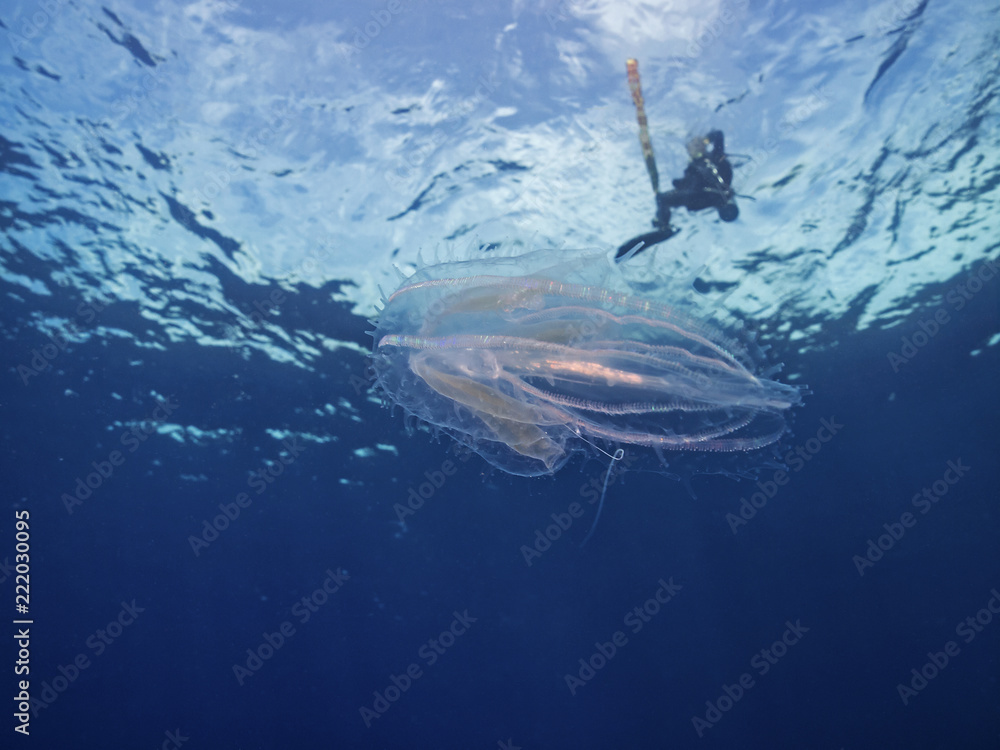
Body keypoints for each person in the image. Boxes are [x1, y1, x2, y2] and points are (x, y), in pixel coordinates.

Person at [616, 129, 739, 261]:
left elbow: (719, 135)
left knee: (663, 199)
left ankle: (664, 226)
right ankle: (664, 227)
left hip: (701, 197)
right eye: (690, 147)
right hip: (702, 198)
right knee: (663, 199)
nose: (690, 150)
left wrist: (704, 140)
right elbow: (686, 184)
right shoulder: (705, 163)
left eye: (693, 147)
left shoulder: (714, 158)